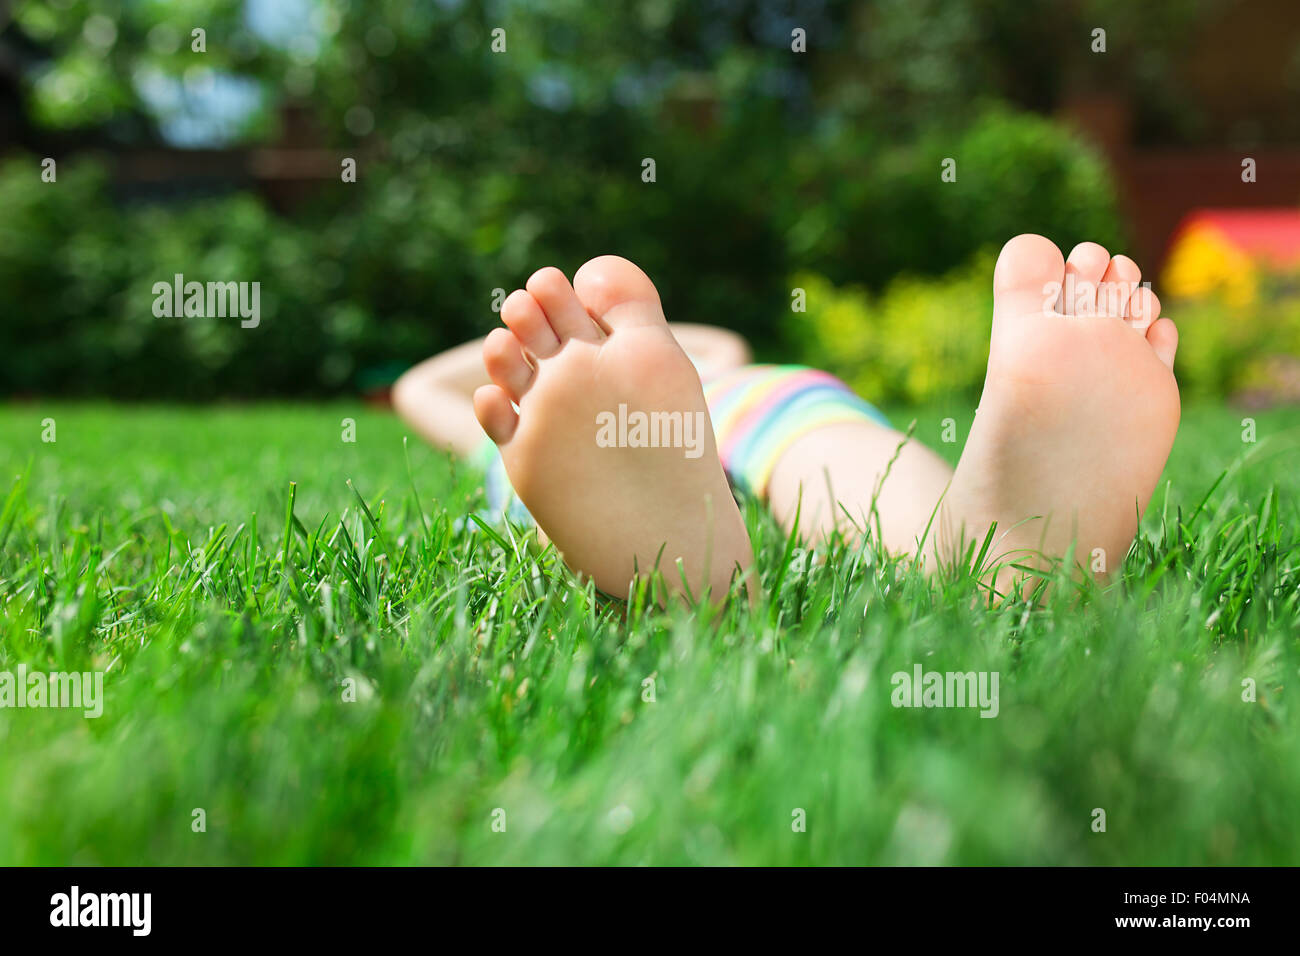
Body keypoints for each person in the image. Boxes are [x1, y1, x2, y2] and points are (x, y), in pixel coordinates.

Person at [392, 234, 1180, 602]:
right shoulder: (552, 392)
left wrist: (526, 348)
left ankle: (691, 583)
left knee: (826, 441)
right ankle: (974, 556)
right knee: (831, 448)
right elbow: (418, 391)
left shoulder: (548, 385)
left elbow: (421, 386)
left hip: (680, 400)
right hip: (751, 398)